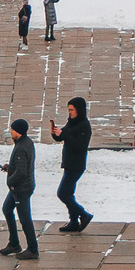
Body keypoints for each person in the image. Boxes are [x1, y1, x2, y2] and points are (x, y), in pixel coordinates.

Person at [0, 118, 39, 259]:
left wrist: (10, 180)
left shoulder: (20, 147)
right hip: (21, 187)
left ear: (18, 132)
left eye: (12, 129)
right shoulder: (27, 142)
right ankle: (14, 243)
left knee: (25, 218)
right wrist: (11, 168)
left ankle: (32, 249)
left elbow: (21, 172)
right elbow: (21, 166)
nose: (11, 132)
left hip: (21, 189)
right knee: (7, 209)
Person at [48, 96, 92, 232]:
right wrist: (55, 133)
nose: (70, 112)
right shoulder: (72, 122)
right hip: (69, 163)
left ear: (79, 110)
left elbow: (79, 145)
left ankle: (84, 214)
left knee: (63, 193)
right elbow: (63, 135)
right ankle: (73, 221)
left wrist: (64, 135)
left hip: (76, 165)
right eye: (69, 110)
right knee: (69, 193)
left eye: (72, 110)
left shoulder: (84, 125)